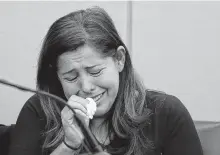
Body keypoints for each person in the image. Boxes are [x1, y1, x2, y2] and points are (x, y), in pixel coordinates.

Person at [8, 6, 203, 155]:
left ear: (119, 59)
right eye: (71, 77)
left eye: (95, 71)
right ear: (57, 76)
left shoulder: (166, 112)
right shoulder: (38, 111)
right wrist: (68, 146)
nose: (86, 87)